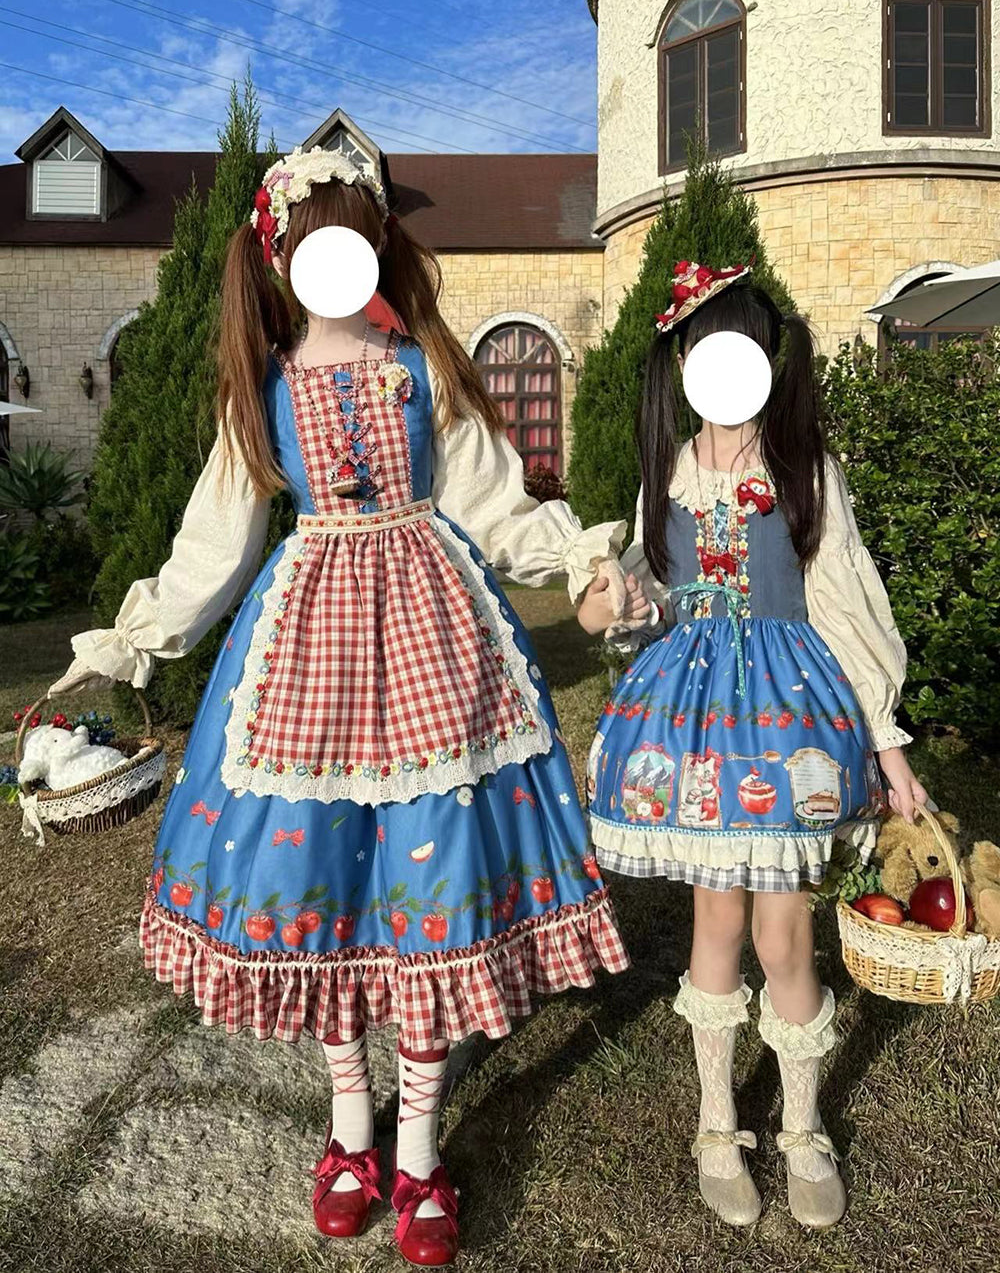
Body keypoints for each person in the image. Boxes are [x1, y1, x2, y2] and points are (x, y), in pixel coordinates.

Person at [52, 146, 630, 1267]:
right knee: (321, 890)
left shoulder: (424, 367)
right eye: (317, 240)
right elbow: (215, 542)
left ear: (374, 245)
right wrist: (130, 642)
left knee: (429, 888)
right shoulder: (262, 386)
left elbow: (496, 501)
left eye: (354, 235)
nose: (337, 257)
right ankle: (350, 1130)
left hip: (435, 648)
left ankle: (417, 1150)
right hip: (306, 658)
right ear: (280, 259)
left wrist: (579, 560)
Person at [578, 263, 926, 1230]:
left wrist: (887, 743)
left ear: (767, 360)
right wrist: (615, 600)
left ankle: (803, 1124)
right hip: (694, 724)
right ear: (684, 362)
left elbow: (843, 599)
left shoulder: (804, 467)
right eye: (706, 351)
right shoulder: (669, 473)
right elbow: (645, 595)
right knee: (718, 922)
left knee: (785, 931)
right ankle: (717, 1120)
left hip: (786, 716)